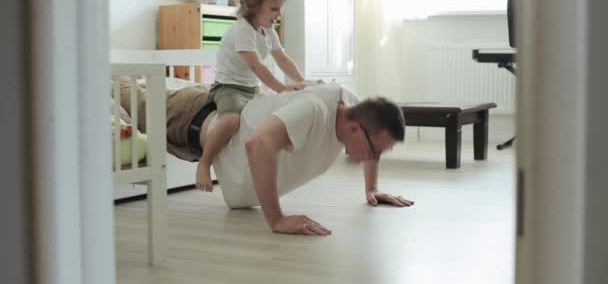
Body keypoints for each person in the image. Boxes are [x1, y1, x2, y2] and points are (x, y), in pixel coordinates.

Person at [118, 80, 414, 236]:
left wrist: (371, 188)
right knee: (124, 92)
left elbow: (373, 139)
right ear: (353, 128)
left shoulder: (354, 109)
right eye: (375, 151)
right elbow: (258, 144)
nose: (374, 157)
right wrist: (277, 220)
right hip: (189, 119)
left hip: (205, 123)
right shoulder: (315, 111)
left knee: (140, 89)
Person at [196, 0, 307, 193]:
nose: (279, 15)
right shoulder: (243, 30)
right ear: (254, 5)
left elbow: (282, 59)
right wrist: (282, 88)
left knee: (267, 120)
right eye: (274, 9)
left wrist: (302, 81)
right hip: (228, 87)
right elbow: (257, 66)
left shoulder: (267, 31)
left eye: (280, 9)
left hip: (250, 87)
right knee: (230, 122)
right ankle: (205, 162)